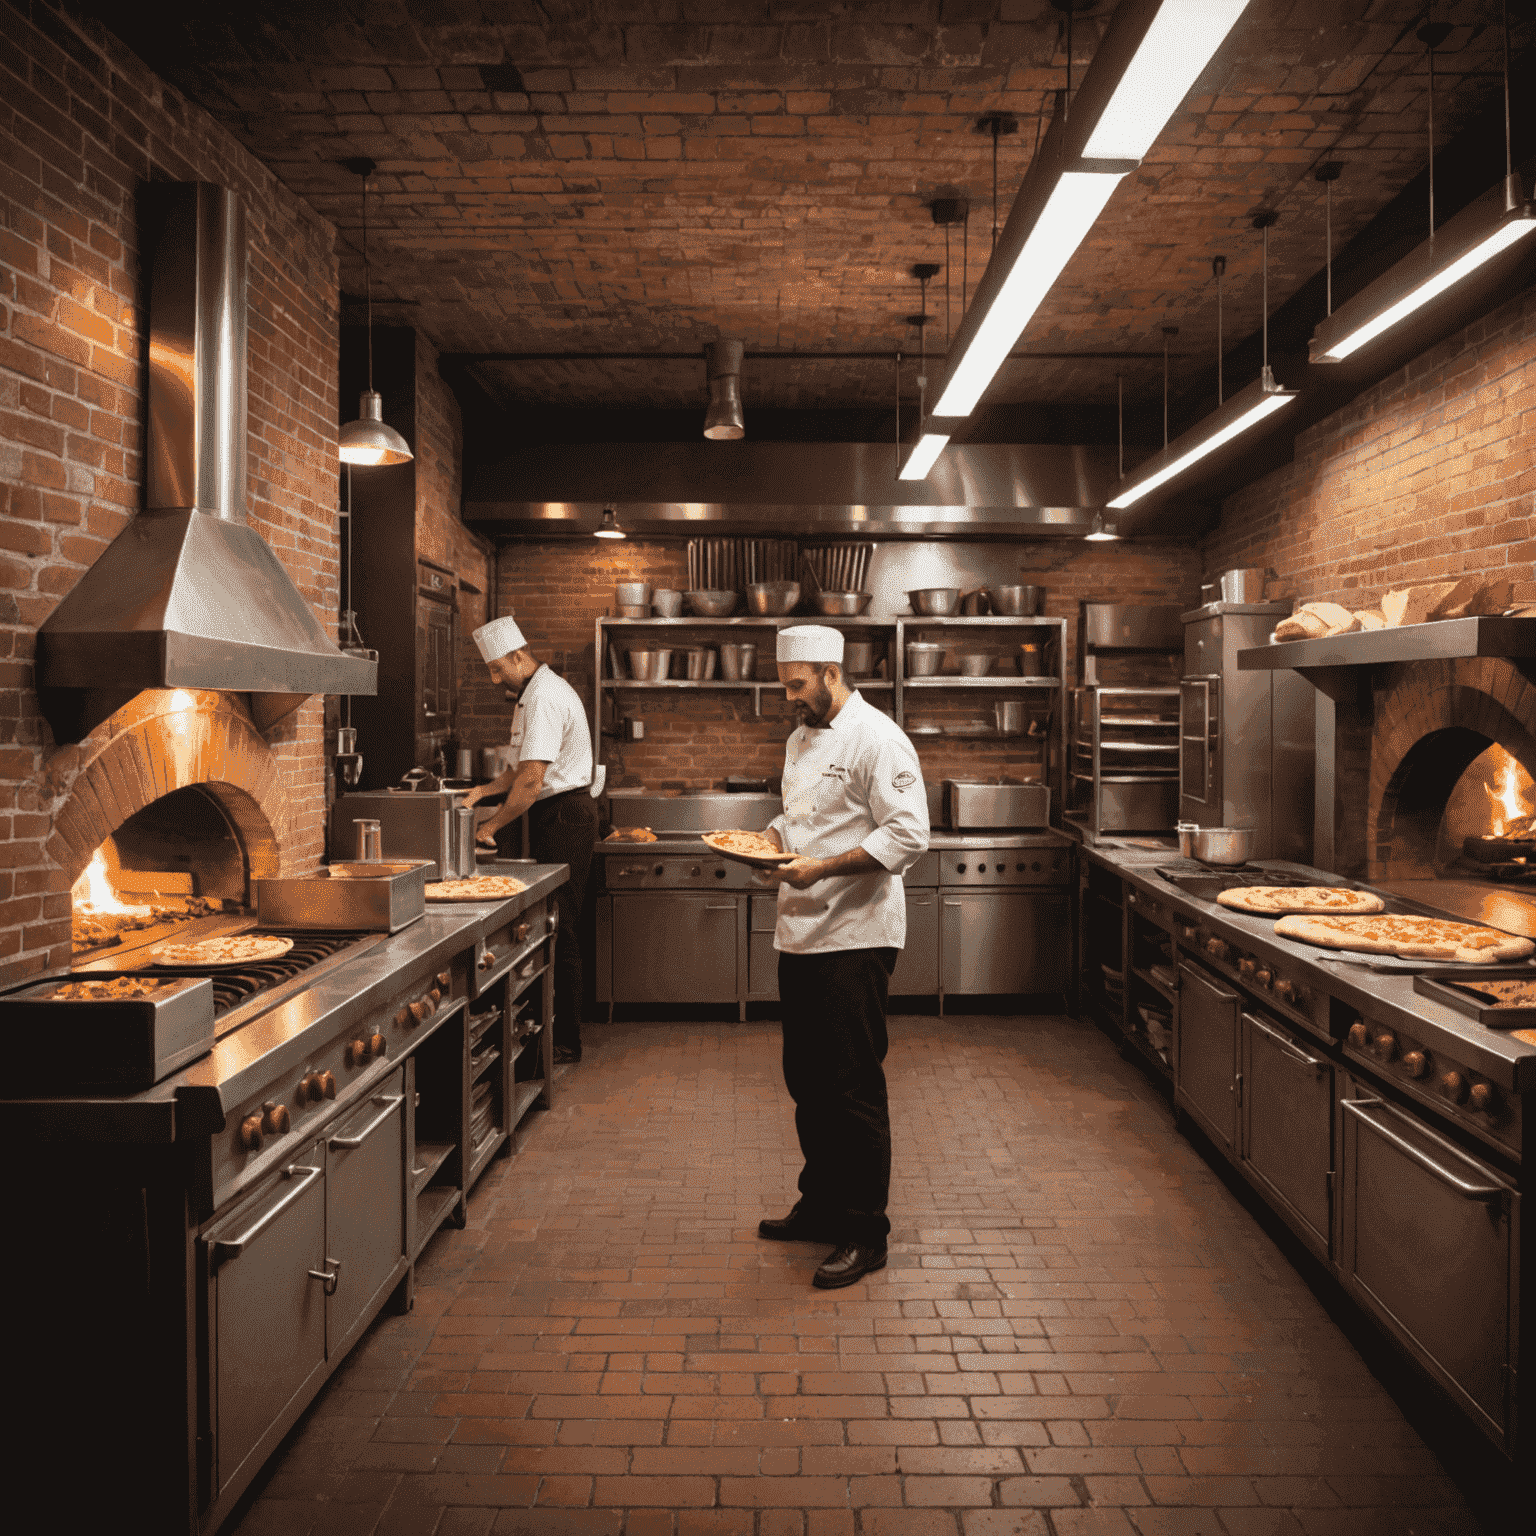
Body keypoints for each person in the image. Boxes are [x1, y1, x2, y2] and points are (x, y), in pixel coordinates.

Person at [756, 623, 929, 1288]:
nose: (790, 697)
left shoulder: (878, 738)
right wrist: (769, 838)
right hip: (800, 933)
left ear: (831, 673)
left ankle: (865, 1231)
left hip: (857, 936)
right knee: (807, 1081)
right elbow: (801, 818)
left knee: (851, 1086)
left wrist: (822, 868)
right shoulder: (802, 737)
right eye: (784, 685)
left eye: (797, 685)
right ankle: (822, 1204)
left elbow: (910, 832)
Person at [464, 616, 598, 1064]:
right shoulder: (531, 695)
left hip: (564, 817)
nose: (494, 677)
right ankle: (550, 1036)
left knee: (561, 927)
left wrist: (490, 827)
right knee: (553, 924)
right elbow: (519, 771)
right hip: (554, 815)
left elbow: (531, 784)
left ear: (520, 656)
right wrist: (482, 792)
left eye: (498, 668)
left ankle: (564, 1040)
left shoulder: (543, 697)